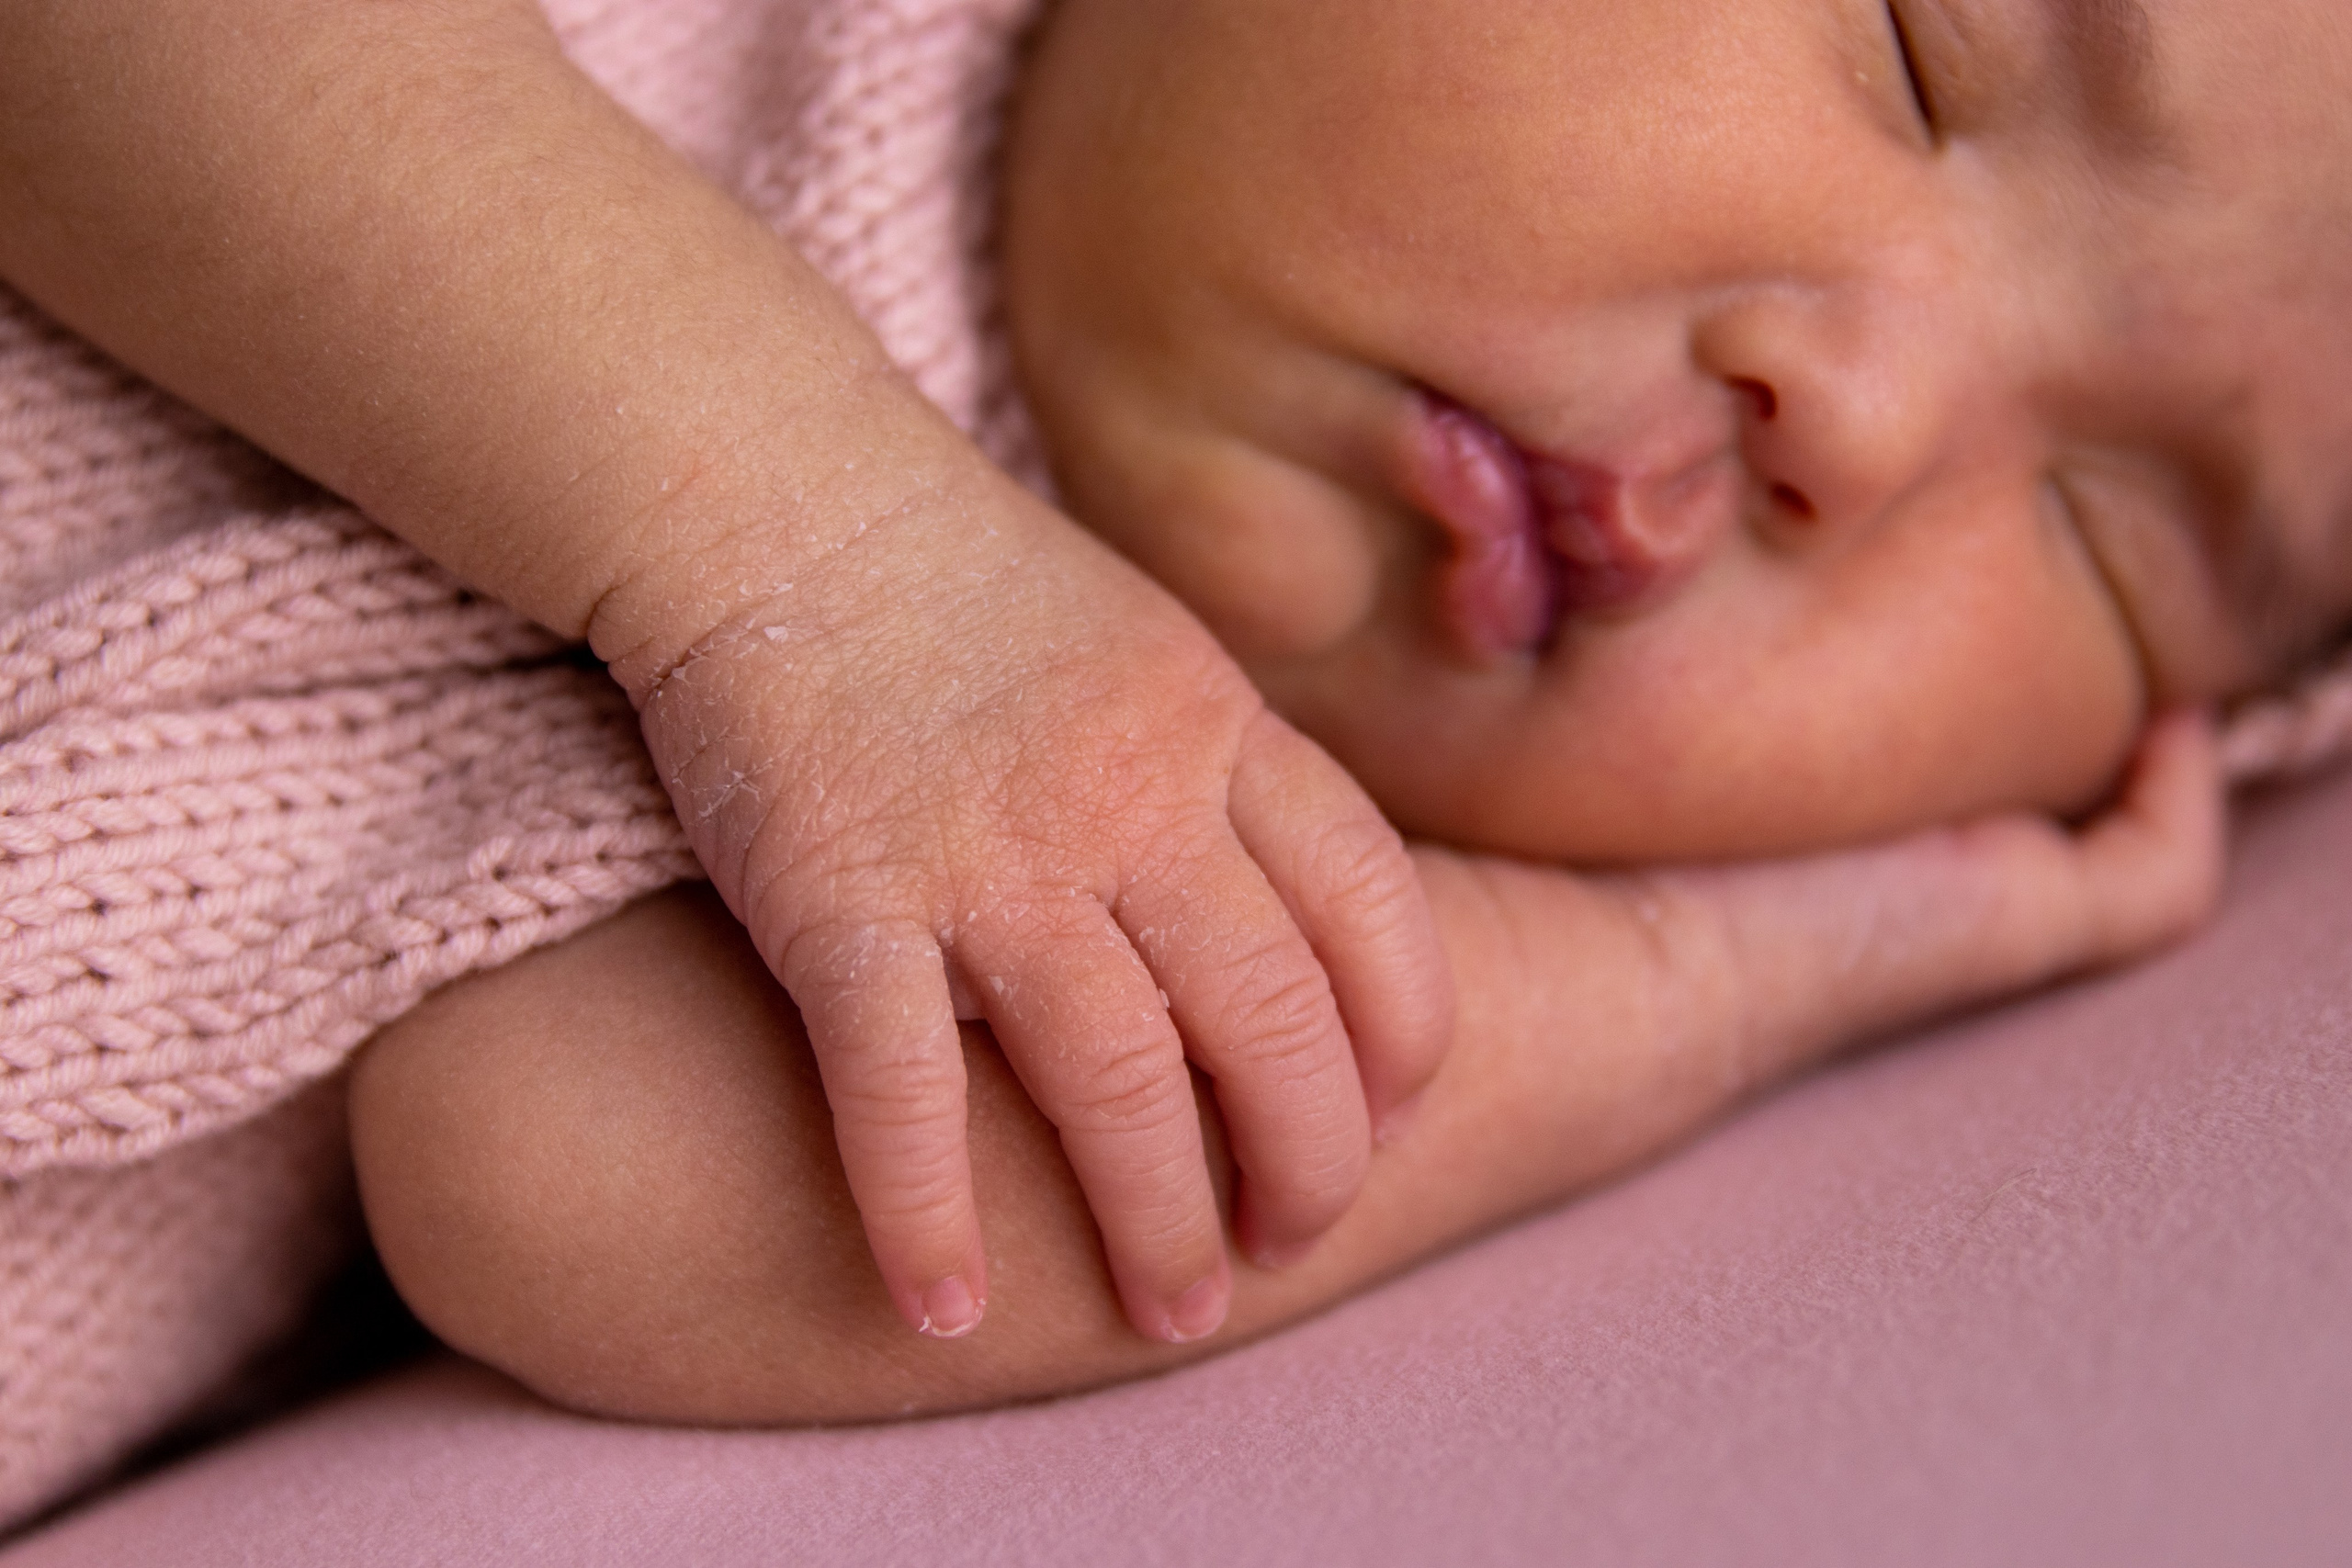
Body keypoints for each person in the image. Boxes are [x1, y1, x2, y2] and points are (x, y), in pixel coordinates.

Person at [6, 0, 2351, 1459]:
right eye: (1921, 43)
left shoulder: (1196, 844)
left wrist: (1691, 979)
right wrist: (815, 559)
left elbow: (548, 1173)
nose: (1858, 406)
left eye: (2108, 539)